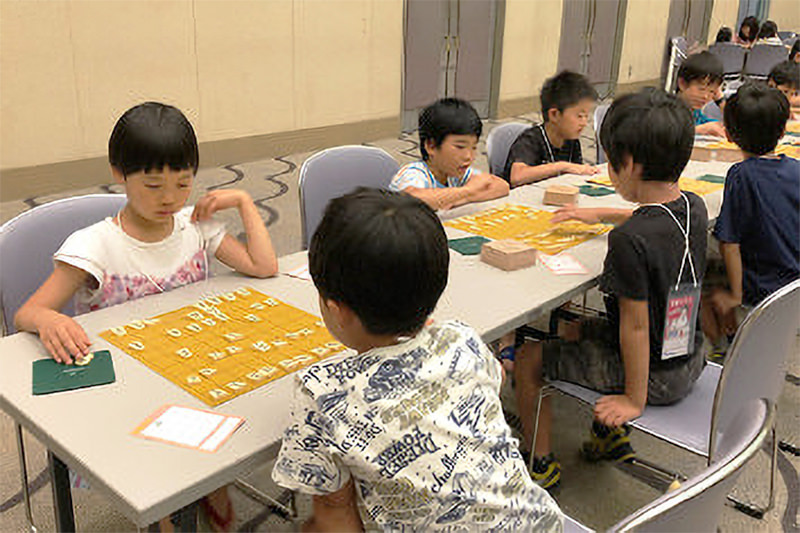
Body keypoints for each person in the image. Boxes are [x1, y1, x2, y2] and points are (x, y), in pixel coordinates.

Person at [14, 101, 278, 532]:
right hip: (130, 391)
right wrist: (49, 320)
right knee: (168, 480)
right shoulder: (95, 244)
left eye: (183, 183)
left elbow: (263, 266)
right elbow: (30, 310)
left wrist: (245, 202)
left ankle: (195, 489)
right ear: (119, 173)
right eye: (153, 185)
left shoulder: (195, 226)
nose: (170, 198)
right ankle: (173, 507)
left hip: (194, 373)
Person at [271, 188, 563, 531]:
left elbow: (336, 512)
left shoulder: (319, 393)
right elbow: (495, 375)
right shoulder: (461, 338)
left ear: (336, 310)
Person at [514, 88, 707, 491]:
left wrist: (633, 399)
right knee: (573, 329)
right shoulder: (692, 204)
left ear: (629, 165)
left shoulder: (630, 242)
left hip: (657, 377)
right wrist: (599, 212)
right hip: (691, 353)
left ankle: (540, 463)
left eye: (610, 162)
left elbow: (634, 329)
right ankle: (606, 437)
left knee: (531, 357)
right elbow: (648, 214)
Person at [707, 84, 799, 343]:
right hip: (793, 284)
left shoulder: (741, 175)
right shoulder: (795, 169)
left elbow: (729, 243)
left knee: (704, 275)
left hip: (761, 289)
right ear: (782, 132)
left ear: (730, 135)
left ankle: (722, 350)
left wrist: (735, 296)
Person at [388, 98, 509, 210]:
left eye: (474, 147)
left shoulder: (455, 172)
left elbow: (501, 186)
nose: (469, 156)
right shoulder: (413, 173)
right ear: (431, 146)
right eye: (460, 147)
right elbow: (412, 199)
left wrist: (464, 197)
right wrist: (468, 190)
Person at [502, 71, 599, 187]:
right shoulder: (530, 140)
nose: (584, 123)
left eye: (586, 116)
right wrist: (562, 166)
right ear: (554, 115)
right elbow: (517, 177)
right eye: (579, 116)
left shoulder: (571, 140)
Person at [676, 51, 727, 137]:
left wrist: (720, 100)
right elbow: (668, 133)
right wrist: (701, 129)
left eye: (712, 92)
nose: (706, 96)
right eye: (701, 89)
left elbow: (733, 123)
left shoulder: (696, 113)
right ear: (682, 84)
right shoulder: (668, 110)